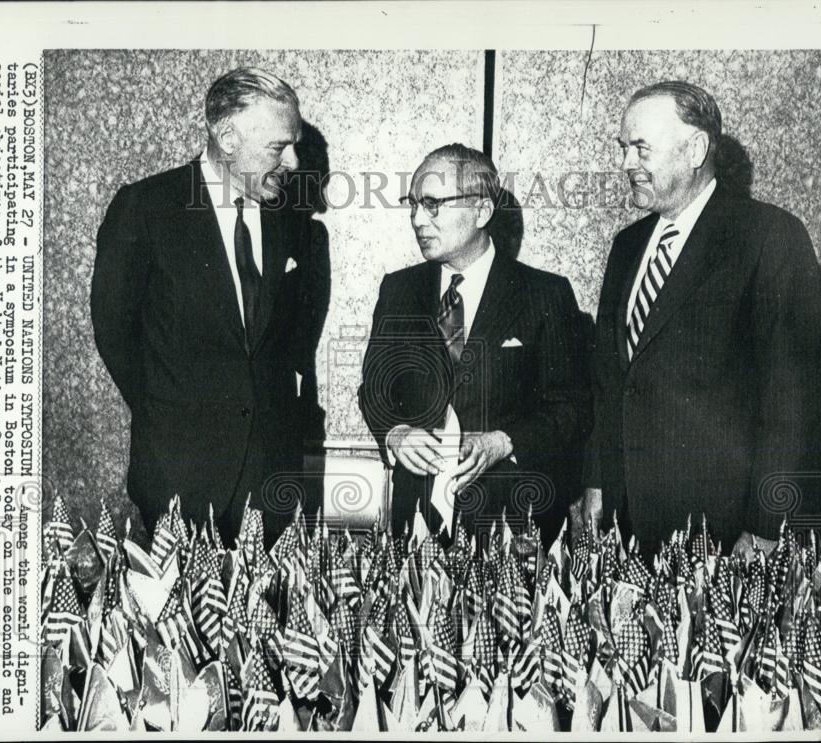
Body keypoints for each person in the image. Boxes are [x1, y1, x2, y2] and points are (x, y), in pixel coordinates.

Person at [583, 80, 821, 557]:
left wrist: (764, 527)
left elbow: (792, 399)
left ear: (695, 148)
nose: (625, 165)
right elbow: (610, 384)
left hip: (723, 530)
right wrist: (596, 482)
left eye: (640, 149)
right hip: (626, 524)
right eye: (622, 149)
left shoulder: (769, 237)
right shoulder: (627, 246)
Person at [91, 67, 318, 548]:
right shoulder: (146, 208)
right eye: (280, 147)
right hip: (181, 478)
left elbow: (286, 345)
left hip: (271, 484)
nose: (294, 162)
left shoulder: (293, 223)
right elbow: (114, 334)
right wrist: (173, 411)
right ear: (228, 137)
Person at [359, 144, 591, 548]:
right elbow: (374, 390)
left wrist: (502, 441)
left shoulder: (546, 294)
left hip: (514, 526)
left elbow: (571, 406)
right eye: (413, 204)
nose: (417, 219)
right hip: (414, 526)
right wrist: (394, 433)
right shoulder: (398, 289)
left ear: (482, 211)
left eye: (432, 204)